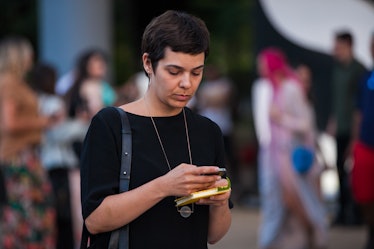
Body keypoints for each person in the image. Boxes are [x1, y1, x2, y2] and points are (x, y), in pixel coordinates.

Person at [80, 10, 232, 249]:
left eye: (196, 72)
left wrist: (221, 202)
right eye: (174, 72)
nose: (186, 83)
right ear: (148, 63)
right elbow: (95, 220)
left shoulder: (208, 131)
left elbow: (214, 235)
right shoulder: (110, 124)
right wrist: (165, 186)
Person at [252, 47, 327, 249]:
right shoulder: (272, 88)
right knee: (281, 200)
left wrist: (280, 118)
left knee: (304, 197)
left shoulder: (290, 89)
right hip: (276, 156)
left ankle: (319, 236)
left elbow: (306, 124)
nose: (260, 67)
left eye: (263, 63)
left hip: (292, 155)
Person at [0, 36, 56, 248]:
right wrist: (44, 121)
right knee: (28, 215)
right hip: (19, 157)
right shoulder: (9, 83)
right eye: (28, 53)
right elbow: (9, 123)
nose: (31, 58)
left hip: (27, 155)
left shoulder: (16, 83)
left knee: (34, 214)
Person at [28, 62, 88, 249]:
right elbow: (58, 133)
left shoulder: (32, 101)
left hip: (39, 162)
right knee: (63, 218)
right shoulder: (53, 102)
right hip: (58, 164)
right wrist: (82, 124)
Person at [327, 30, 369, 226]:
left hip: (356, 132)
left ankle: (358, 214)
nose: (335, 51)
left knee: (355, 174)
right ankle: (343, 212)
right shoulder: (336, 70)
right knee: (339, 170)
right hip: (341, 128)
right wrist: (334, 121)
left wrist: (355, 137)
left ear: (349, 46)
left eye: (339, 47)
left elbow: (358, 107)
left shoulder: (359, 70)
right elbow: (339, 101)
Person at [193, 65, 239, 186]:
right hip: (207, 128)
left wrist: (209, 99)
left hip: (224, 127)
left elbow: (223, 99)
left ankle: (231, 182)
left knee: (228, 155)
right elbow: (201, 101)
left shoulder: (225, 84)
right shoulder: (204, 86)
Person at [351, 32, 374, 249]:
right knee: (364, 194)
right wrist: (354, 141)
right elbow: (358, 112)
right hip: (366, 144)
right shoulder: (366, 77)